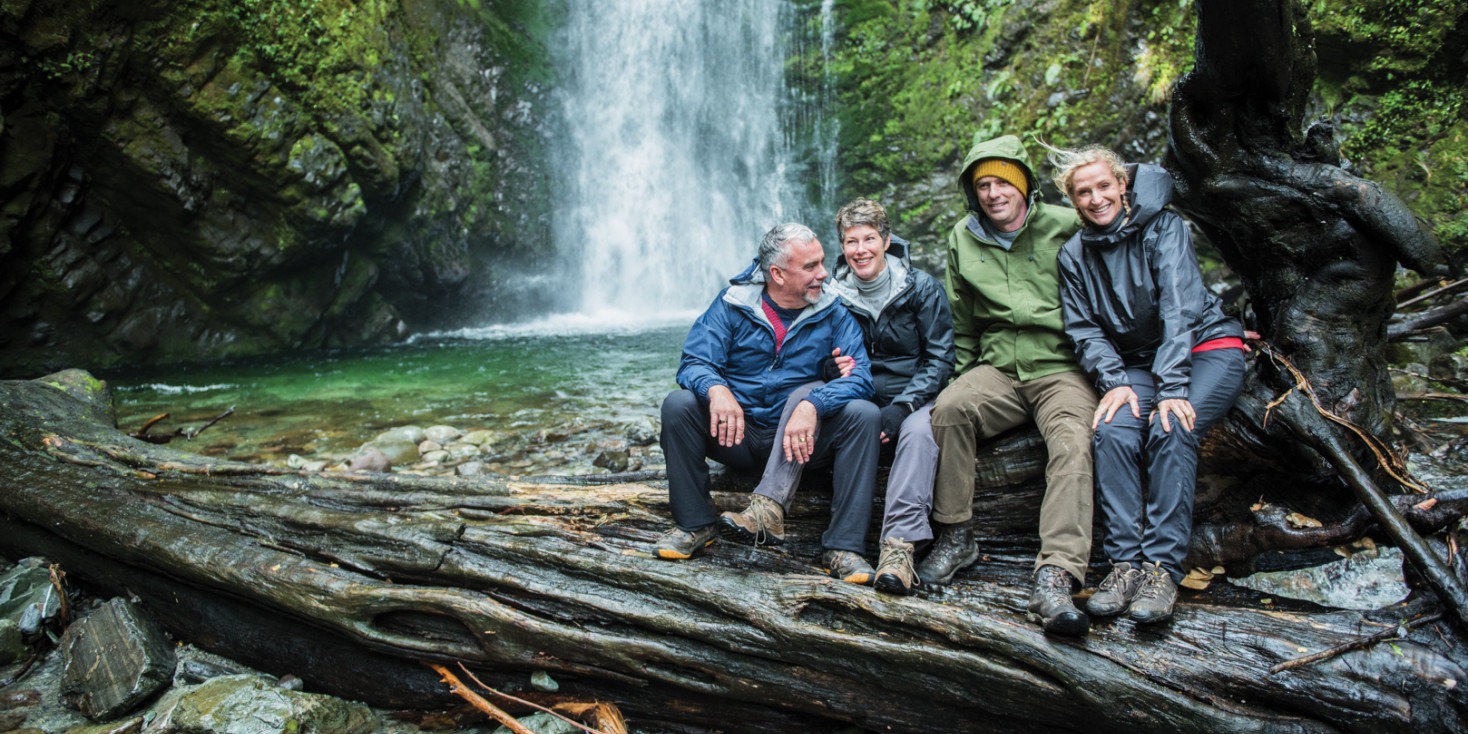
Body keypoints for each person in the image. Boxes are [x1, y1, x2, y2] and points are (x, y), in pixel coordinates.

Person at [720, 199, 955, 595]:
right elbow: (809, 348)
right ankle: (768, 507)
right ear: (842, 246)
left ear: (887, 240)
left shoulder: (921, 288)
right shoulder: (829, 292)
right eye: (851, 241)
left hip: (912, 398)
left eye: (869, 239)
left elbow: (940, 358)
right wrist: (828, 371)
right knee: (807, 392)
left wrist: (902, 407)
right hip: (854, 396)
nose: (860, 249)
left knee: (919, 433)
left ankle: (898, 549)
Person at [1051, 147, 1246, 624]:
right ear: (1074, 203)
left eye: (1103, 186)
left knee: (1171, 427)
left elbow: (1179, 308)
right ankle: (1125, 566)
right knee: (1113, 429)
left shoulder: (1165, 227)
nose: (1096, 198)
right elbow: (1084, 329)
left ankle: (1162, 568)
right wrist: (1114, 381)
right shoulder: (1073, 255)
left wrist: (1173, 386)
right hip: (1135, 363)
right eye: (1084, 193)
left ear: (1122, 185)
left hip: (1204, 349)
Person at [924, 134, 1097, 636]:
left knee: (1071, 443)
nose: (993, 193)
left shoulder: (1067, 226)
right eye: (983, 184)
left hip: (1061, 366)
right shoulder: (963, 236)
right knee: (950, 409)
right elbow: (962, 320)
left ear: (1023, 184)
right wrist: (960, 376)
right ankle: (956, 535)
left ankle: (1057, 573)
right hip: (998, 366)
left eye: (1003, 181)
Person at [657, 222, 883, 584]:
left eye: (822, 262)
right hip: (738, 436)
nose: (824, 273)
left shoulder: (834, 311)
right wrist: (716, 389)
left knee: (864, 414)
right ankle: (695, 525)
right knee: (678, 404)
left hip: (800, 444)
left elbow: (861, 378)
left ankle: (844, 547)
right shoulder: (732, 305)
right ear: (776, 274)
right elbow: (694, 362)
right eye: (811, 267)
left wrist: (813, 405)